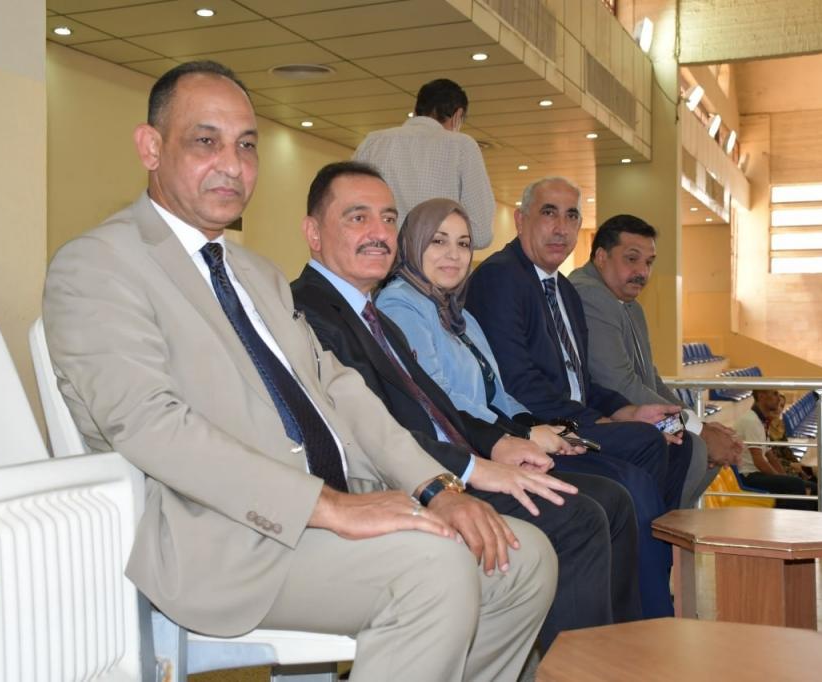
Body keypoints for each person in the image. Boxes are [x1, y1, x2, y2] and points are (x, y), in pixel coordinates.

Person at [42, 61, 556, 682]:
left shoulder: (254, 272)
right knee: (435, 570)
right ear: (151, 147)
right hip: (225, 538)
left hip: (330, 507)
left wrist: (435, 486)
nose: (232, 165)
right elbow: (151, 425)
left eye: (246, 145)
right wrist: (329, 507)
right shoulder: (99, 264)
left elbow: (339, 386)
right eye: (205, 141)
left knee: (524, 560)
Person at [291, 164, 643, 644]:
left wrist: (503, 444)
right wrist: (476, 465)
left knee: (609, 497)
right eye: (358, 218)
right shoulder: (313, 311)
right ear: (313, 233)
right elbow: (376, 433)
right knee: (580, 516)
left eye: (388, 219)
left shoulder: (376, 314)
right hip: (392, 486)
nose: (379, 233)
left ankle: (607, 654)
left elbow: (440, 406)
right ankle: (583, 666)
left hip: (444, 461)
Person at [376, 196, 674, 618]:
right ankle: (595, 643)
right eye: (438, 241)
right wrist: (522, 435)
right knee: (599, 503)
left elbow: (499, 394)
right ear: (412, 243)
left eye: (463, 244)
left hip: (500, 441)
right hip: (461, 459)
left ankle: (623, 631)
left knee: (618, 494)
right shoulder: (401, 305)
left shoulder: (457, 314)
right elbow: (438, 399)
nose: (453, 255)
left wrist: (543, 429)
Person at [465, 177, 692, 512]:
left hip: (575, 420)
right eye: (549, 213)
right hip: (537, 427)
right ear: (520, 220)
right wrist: (602, 423)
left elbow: (581, 383)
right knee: (645, 443)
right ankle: (643, 540)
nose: (561, 228)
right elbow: (518, 383)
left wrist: (628, 411)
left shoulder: (565, 291)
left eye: (571, 216)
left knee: (679, 442)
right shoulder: (500, 276)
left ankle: (656, 541)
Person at [567, 214, 744, 508]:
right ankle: (656, 531)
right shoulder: (590, 294)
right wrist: (698, 431)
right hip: (597, 422)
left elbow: (651, 379)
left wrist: (698, 423)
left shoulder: (630, 306)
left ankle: (666, 529)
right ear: (601, 256)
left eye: (648, 262)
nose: (642, 271)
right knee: (694, 449)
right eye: (631, 259)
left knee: (700, 448)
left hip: (634, 415)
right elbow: (618, 383)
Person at [353, 78, 494, 248]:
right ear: (458, 115)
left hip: (379, 256)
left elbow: (352, 210)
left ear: (417, 109)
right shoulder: (462, 146)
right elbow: (480, 234)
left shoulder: (373, 142)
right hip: (435, 259)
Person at [735, 390, 817, 510]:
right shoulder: (751, 421)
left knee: (814, 488)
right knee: (796, 485)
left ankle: (810, 520)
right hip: (748, 476)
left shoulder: (761, 421)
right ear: (761, 396)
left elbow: (770, 456)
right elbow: (759, 461)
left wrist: (784, 476)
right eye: (774, 394)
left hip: (757, 473)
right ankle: (789, 520)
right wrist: (782, 479)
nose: (778, 398)